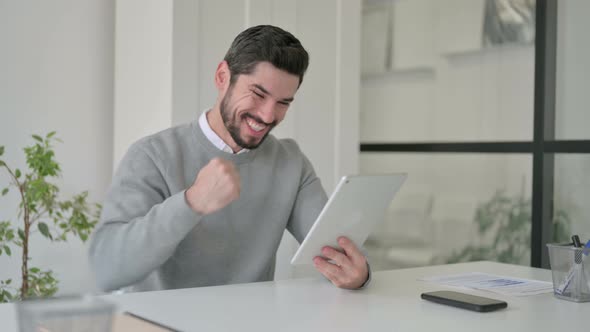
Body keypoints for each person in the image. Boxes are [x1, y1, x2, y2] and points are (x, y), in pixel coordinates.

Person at [88, 25, 369, 292]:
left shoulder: (290, 162)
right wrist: (191, 202)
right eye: (258, 94)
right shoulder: (151, 155)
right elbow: (107, 270)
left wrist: (358, 274)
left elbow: (334, 251)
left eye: (283, 102)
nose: (268, 115)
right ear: (223, 77)